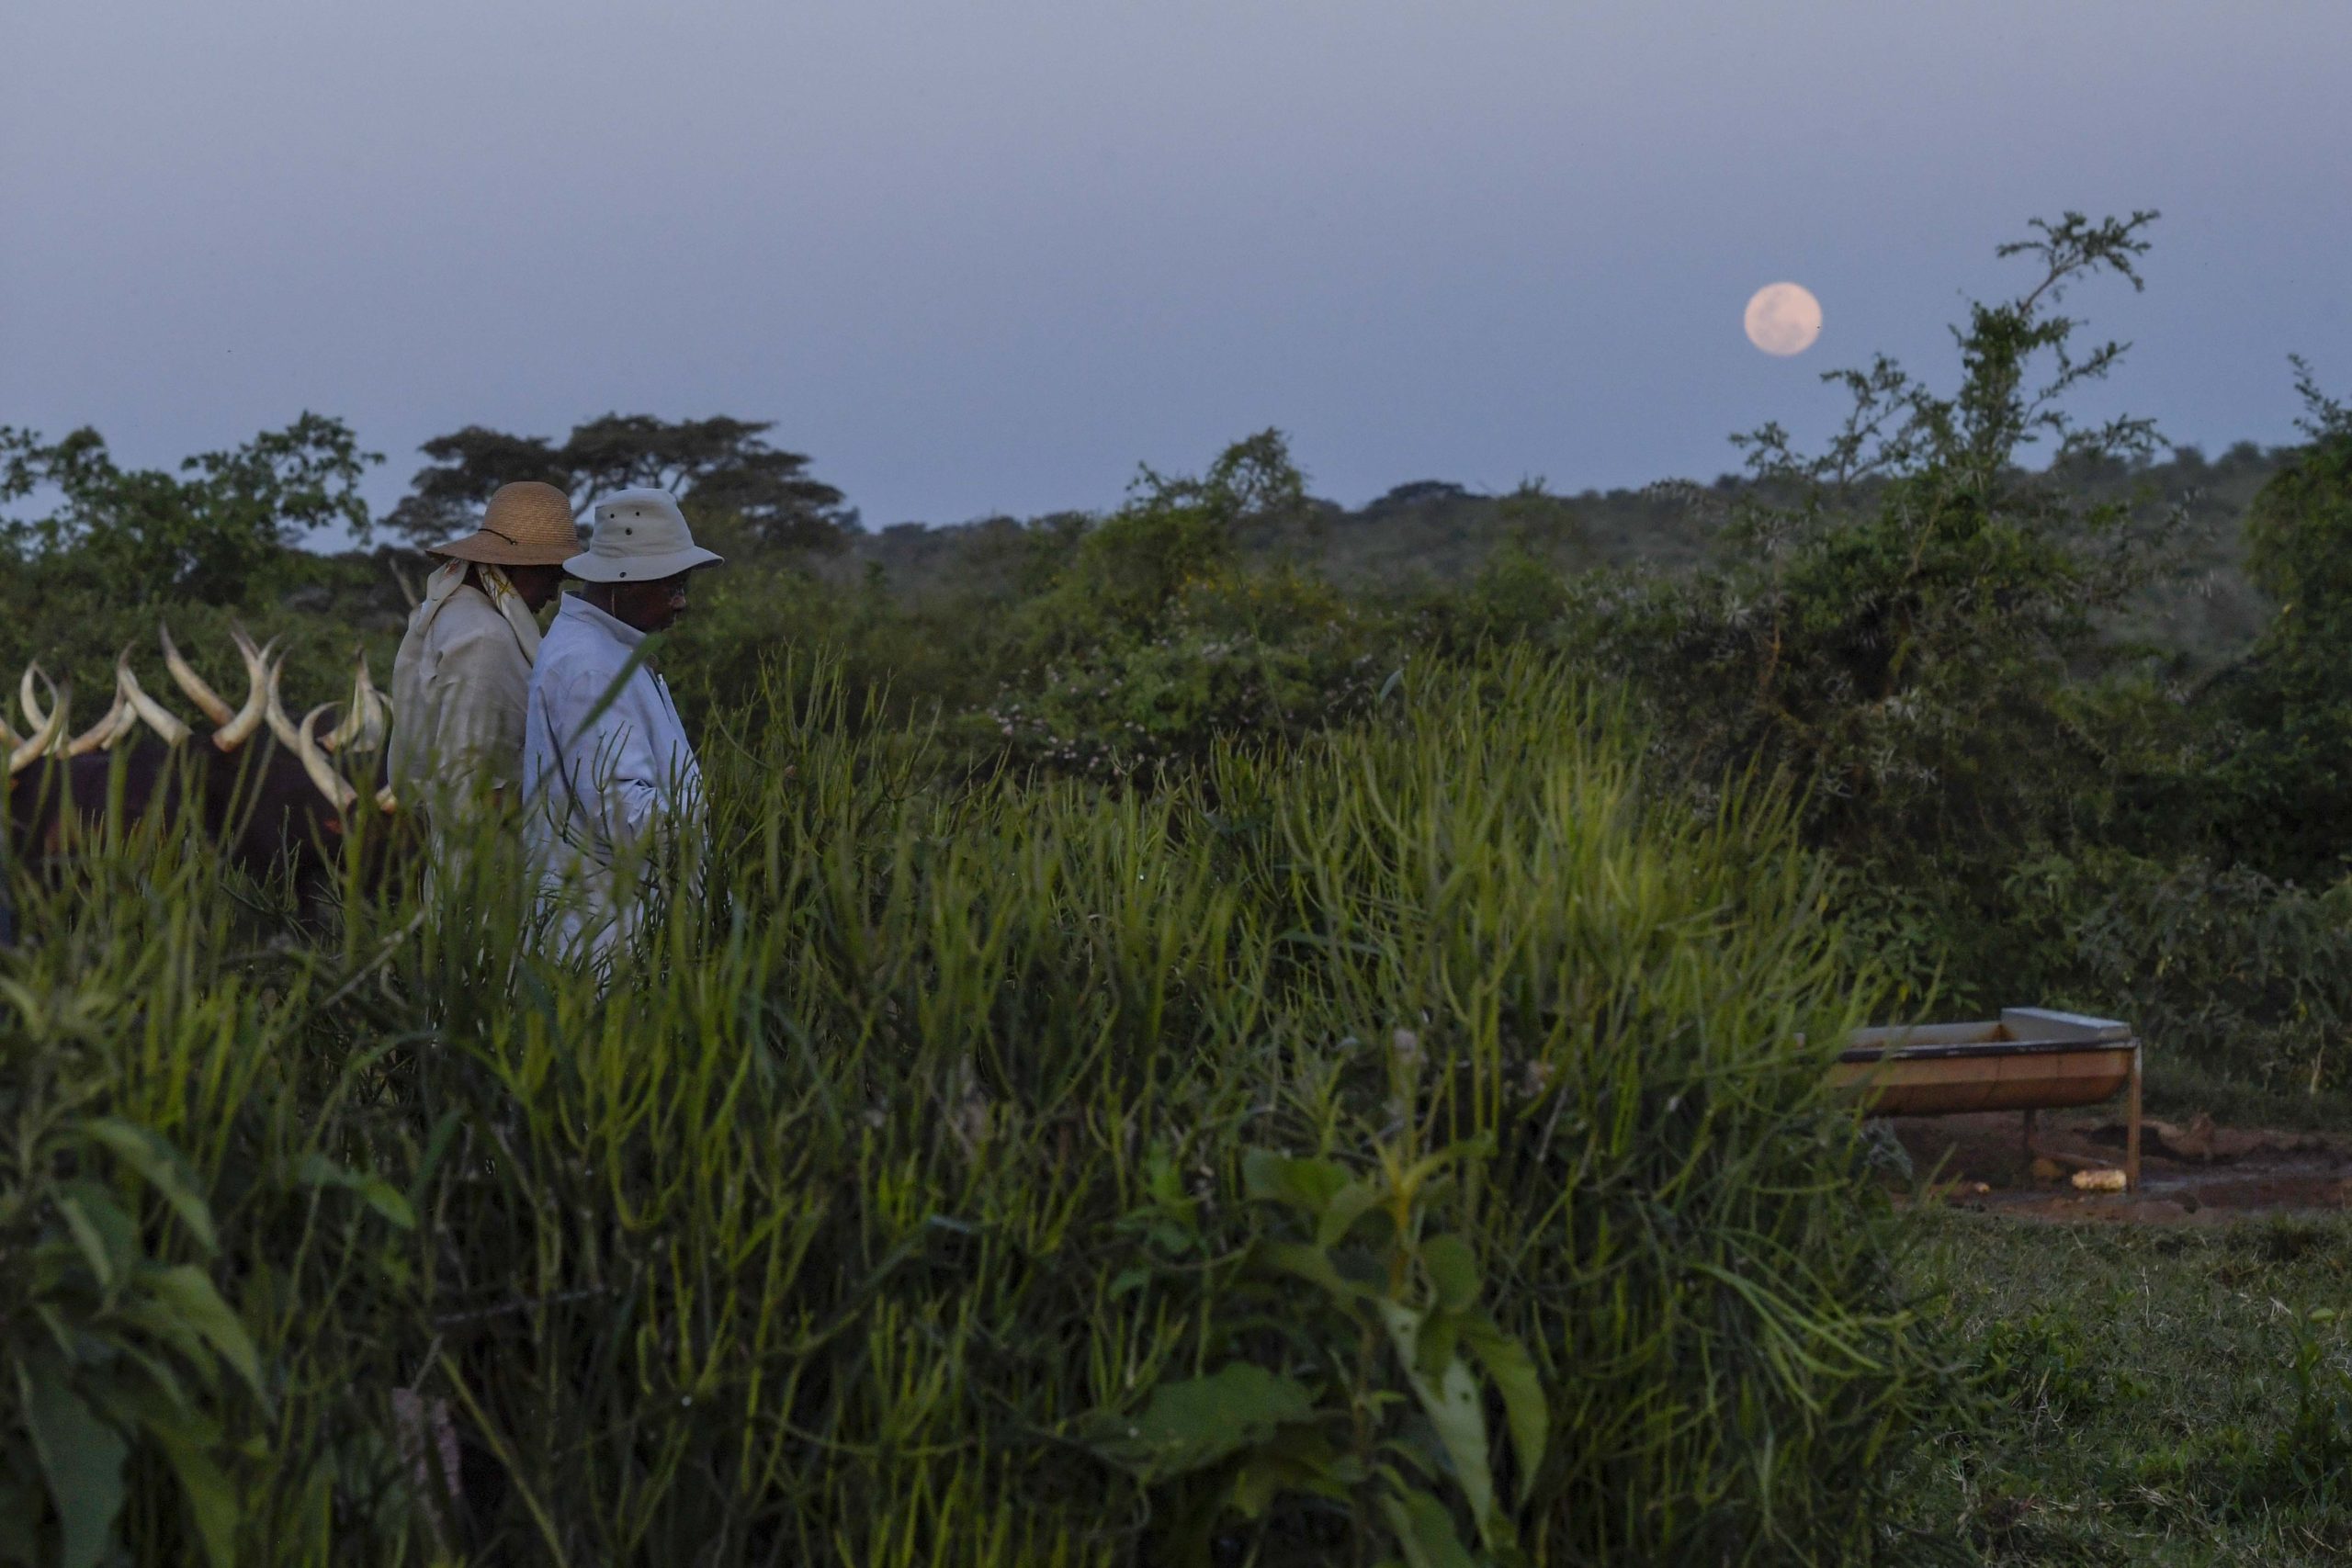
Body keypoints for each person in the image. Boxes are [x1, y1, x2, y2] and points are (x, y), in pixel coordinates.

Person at [521, 488, 725, 967]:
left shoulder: (610, 650)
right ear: (628, 583)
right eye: (673, 586)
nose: (681, 603)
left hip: (627, 925)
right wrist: (724, 808)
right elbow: (622, 815)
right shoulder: (591, 665)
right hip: (608, 940)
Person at [389, 480, 582, 826]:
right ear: (520, 567)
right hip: (486, 844)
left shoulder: (445, 614)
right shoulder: (485, 636)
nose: (554, 594)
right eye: (552, 577)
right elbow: (470, 778)